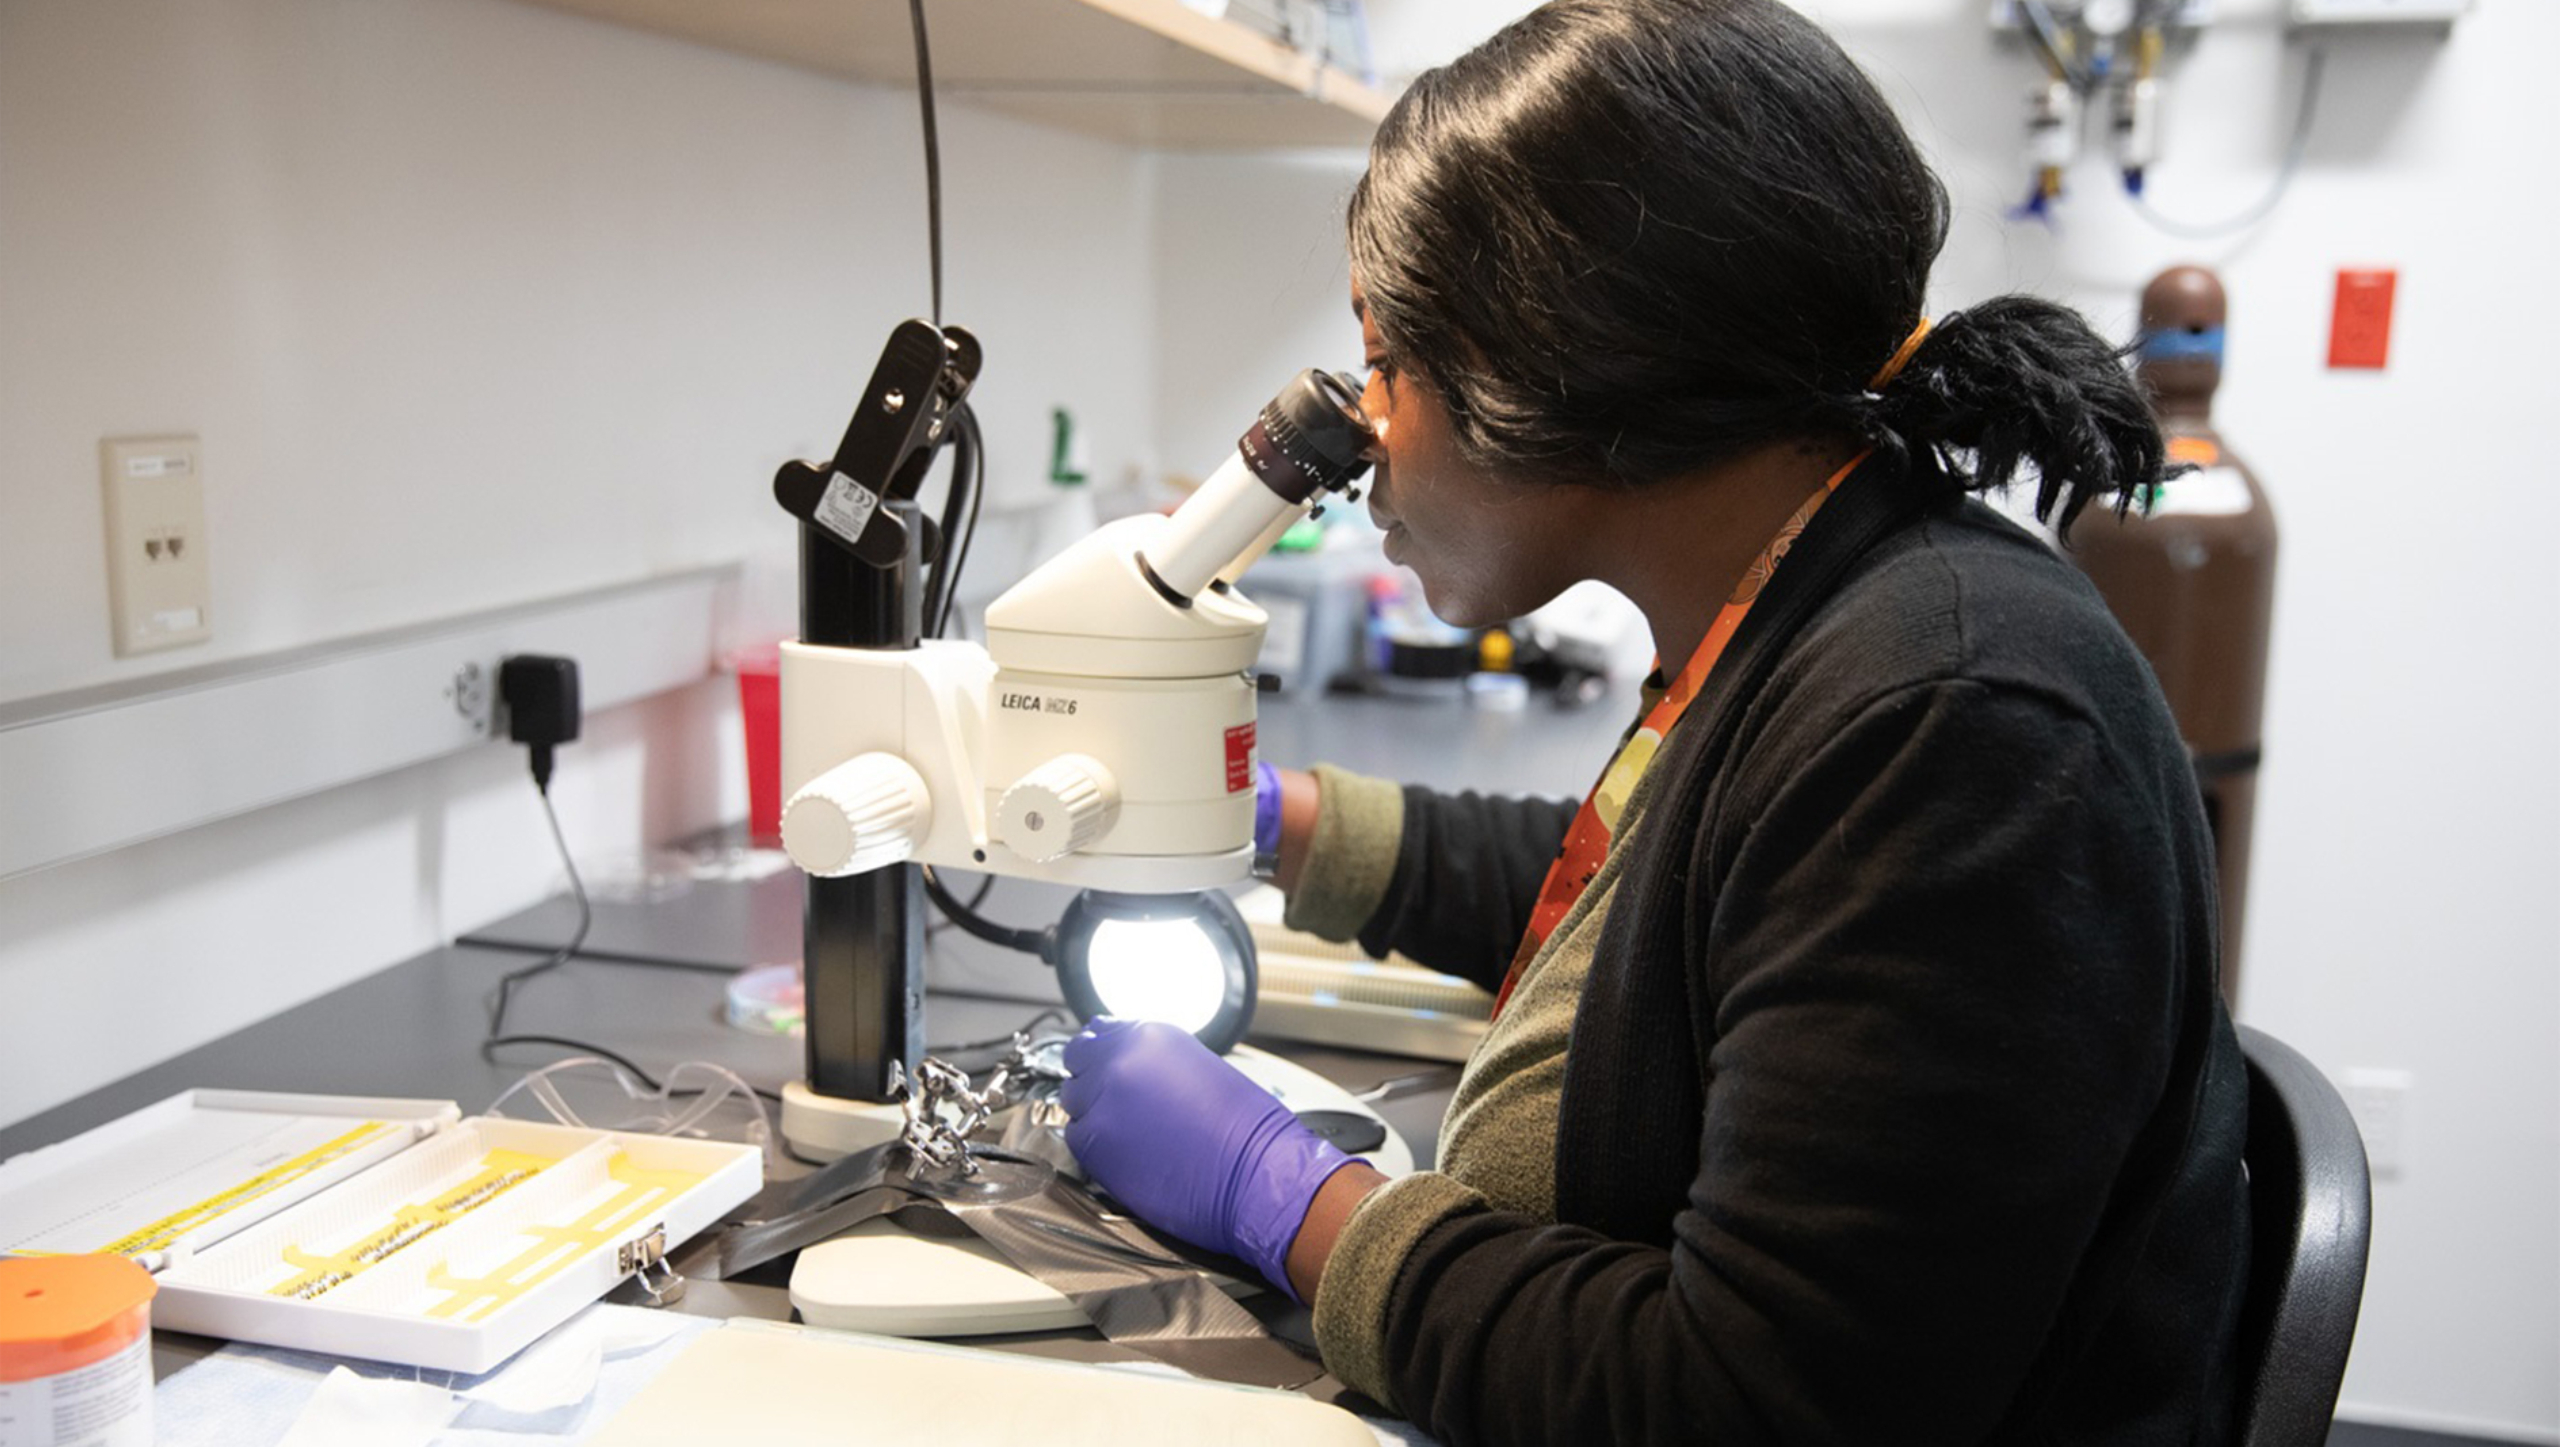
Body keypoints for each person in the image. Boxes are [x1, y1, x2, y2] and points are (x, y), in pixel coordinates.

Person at [1060, 1, 2252, 1442]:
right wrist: (1280, 821)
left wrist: (1301, 1208)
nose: (1364, 442)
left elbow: (1753, 1404)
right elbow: (1659, 928)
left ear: (1547, 361)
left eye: (1386, 363)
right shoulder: (1811, 606)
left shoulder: (1956, 722)